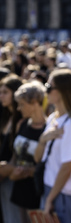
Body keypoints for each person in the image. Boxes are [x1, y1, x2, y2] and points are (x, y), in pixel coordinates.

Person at [34, 69, 71, 223]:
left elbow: (67, 165)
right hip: (51, 187)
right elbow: (38, 158)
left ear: (62, 91)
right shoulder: (52, 118)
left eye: (49, 87)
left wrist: (50, 199)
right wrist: (43, 139)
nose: (46, 91)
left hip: (63, 193)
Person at [8, 81, 47, 223]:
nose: (18, 108)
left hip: (36, 190)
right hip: (19, 186)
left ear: (35, 102)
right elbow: (15, 156)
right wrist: (13, 171)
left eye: (22, 104)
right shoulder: (22, 124)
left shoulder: (48, 130)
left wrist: (30, 171)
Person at [0, 75, 23, 223]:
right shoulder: (5, 117)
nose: (1, 96)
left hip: (12, 176)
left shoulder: (21, 121)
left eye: (5, 92)